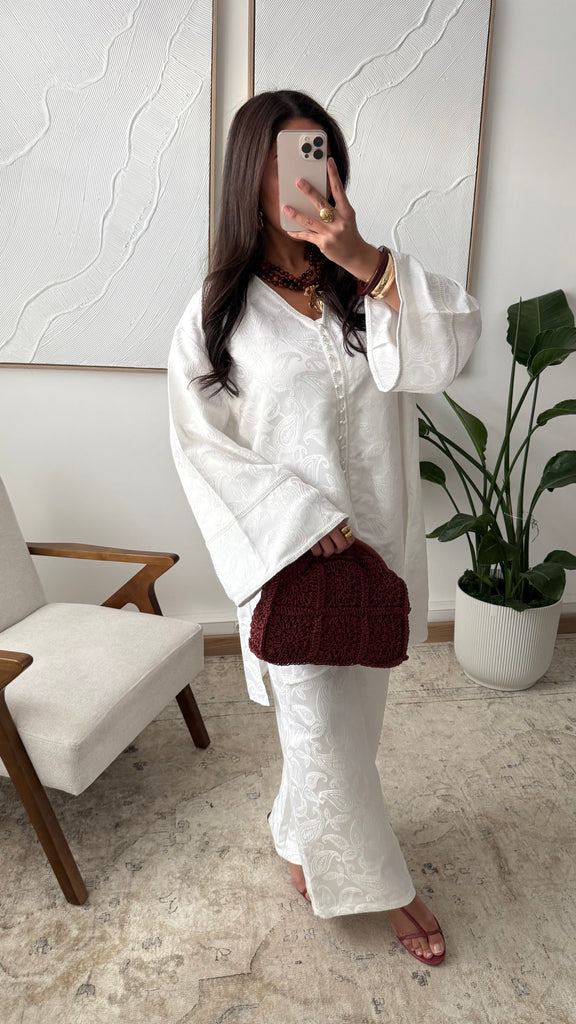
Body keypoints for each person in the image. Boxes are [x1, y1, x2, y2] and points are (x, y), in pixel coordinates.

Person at [167, 90, 481, 966]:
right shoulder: (217, 313)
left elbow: (451, 347)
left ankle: (296, 833)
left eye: (323, 155)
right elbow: (200, 445)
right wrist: (301, 522)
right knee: (319, 730)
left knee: (353, 724)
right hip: (288, 561)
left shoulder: (363, 287)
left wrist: (366, 260)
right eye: (289, 160)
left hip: (376, 556)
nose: (312, 177)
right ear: (251, 176)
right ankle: (388, 890)